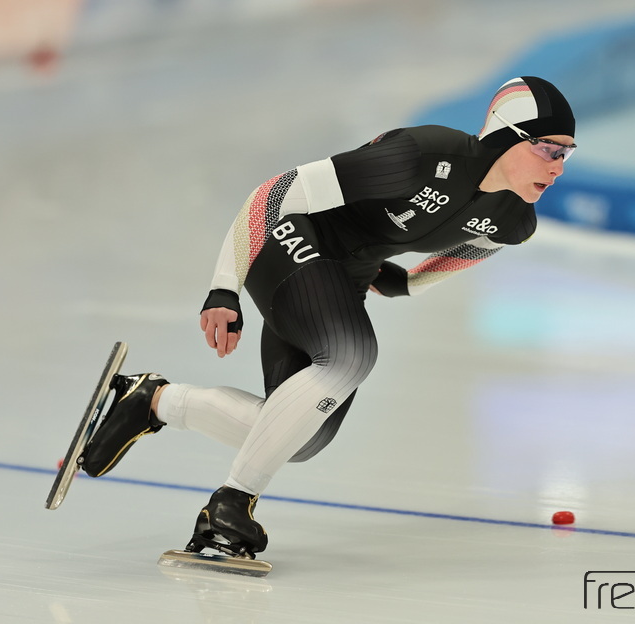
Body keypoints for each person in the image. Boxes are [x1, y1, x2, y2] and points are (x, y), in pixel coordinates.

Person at [80, 76, 576, 558]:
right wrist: (223, 288)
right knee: (351, 355)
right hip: (290, 238)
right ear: (507, 136)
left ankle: (153, 401)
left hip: (344, 279)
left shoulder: (515, 218)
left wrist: (407, 282)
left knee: (299, 437)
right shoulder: (421, 156)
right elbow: (273, 195)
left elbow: (472, 249)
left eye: (566, 154)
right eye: (548, 149)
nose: (557, 167)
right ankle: (230, 504)